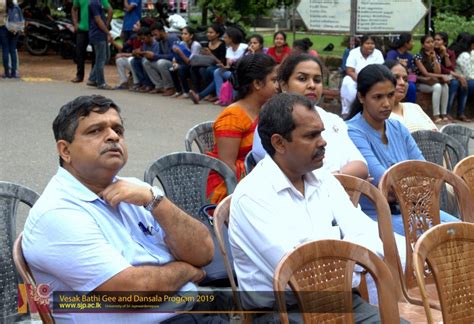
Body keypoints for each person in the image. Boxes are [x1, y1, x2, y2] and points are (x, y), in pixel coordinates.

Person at [22, 95, 230, 323]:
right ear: (65, 150)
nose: (113, 136)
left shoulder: (137, 191)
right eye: (95, 131)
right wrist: (188, 271)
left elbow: (203, 252)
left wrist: (156, 201)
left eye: (118, 130)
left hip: (189, 309)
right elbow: (132, 292)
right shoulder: (58, 214)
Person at [229, 93, 386, 322]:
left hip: (341, 301)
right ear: (279, 143)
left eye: (321, 132)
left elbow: (370, 239)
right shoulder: (252, 195)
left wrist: (341, 263)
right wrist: (352, 262)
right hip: (284, 313)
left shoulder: (323, 179)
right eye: (311, 135)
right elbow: (302, 275)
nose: (323, 142)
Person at [346, 64, 458, 235]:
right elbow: (385, 182)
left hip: (414, 211)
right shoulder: (352, 132)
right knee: (442, 237)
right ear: (361, 97)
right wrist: (405, 186)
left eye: (390, 95)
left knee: (464, 231)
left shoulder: (398, 127)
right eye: (377, 97)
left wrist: (402, 187)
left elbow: (426, 173)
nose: (386, 103)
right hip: (376, 217)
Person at [252, 54, 368, 179]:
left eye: (317, 80)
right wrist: (341, 179)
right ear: (284, 85)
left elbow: (360, 166)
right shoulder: (272, 122)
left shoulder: (333, 120)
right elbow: (288, 177)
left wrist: (332, 180)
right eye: (302, 79)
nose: (312, 85)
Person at [206, 53, 277, 204]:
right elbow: (227, 167)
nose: (278, 86)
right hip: (228, 188)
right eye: (274, 80)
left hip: (257, 178)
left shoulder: (264, 109)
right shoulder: (232, 117)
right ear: (257, 84)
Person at [385, 60, 437, 132]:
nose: (402, 83)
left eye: (405, 79)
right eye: (396, 77)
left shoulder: (414, 107)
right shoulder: (378, 116)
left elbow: (437, 136)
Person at [340, 35, 384, 116]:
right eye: (367, 43)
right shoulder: (353, 53)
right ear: (362, 44)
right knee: (347, 82)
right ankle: (347, 111)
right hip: (355, 78)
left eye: (372, 43)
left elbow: (380, 71)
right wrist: (360, 80)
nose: (370, 46)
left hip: (373, 80)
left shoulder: (378, 54)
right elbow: (349, 70)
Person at [71, 0, 111, 83]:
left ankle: (94, 77)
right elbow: (74, 9)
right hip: (82, 29)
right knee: (80, 53)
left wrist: (106, 24)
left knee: (96, 55)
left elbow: (110, 9)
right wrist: (75, 23)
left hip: (93, 30)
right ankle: (80, 75)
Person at [413, 35, 450, 124]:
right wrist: (441, 76)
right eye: (428, 42)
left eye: (432, 42)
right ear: (422, 45)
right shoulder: (418, 56)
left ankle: (444, 114)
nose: (431, 44)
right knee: (438, 86)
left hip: (432, 82)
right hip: (421, 82)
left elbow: (438, 72)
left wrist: (434, 60)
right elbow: (425, 73)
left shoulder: (436, 56)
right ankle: (436, 116)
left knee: (445, 86)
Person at [434, 32, 469, 121]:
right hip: (437, 75)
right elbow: (442, 69)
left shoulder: (450, 52)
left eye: (438, 40)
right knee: (455, 82)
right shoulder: (433, 52)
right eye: (435, 40)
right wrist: (458, 76)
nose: (435, 42)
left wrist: (445, 54)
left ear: (445, 42)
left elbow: (451, 67)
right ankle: (447, 112)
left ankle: (460, 113)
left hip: (449, 76)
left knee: (462, 83)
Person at [189, 23, 226, 104]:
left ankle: (206, 94)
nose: (208, 34)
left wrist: (210, 54)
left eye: (211, 32)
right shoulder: (207, 43)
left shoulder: (222, 45)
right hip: (208, 65)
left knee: (209, 70)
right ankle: (199, 92)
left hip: (218, 66)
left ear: (217, 34)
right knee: (197, 69)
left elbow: (222, 63)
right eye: (208, 32)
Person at [211, 27, 248, 104]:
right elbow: (228, 67)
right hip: (233, 72)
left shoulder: (244, 47)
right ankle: (221, 97)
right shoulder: (229, 49)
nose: (223, 39)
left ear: (231, 38)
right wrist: (223, 66)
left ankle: (234, 99)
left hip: (242, 73)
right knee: (217, 71)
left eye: (225, 37)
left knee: (234, 76)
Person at [142, 22, 178, 96]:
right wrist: (151, 56)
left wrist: (155, 56)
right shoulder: (161, 41)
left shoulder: (172, 38)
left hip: (175, 63)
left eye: (155, 34)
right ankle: (159, 86)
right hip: (166, 64)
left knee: (161, 62)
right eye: (153, 35)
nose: (154, 37)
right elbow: (160, 55)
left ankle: (170, 87)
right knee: (146, 62)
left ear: (161, 31)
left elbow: (175, 56)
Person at [86, 0, 114, 90]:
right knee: (101, 59)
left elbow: (110, 10)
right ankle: (101, 83)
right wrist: (107, 32)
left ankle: (92, 78)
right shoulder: (93, 3)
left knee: (105, 57)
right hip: (97, 34)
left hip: (101, 33)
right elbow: (98, 20)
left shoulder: (99, 2)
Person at [170, 26, 201, 98]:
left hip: (194, 65)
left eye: (185, 34)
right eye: (182, 34)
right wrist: (174, 62)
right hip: (184, 63)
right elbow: (175, 56)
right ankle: (178, 90)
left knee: (181, 69)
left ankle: (186, 92)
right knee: (172, 69)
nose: (183, 36)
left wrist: (180, 52)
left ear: (191, 35)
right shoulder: (182, 43)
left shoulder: (196, 45)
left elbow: (189, 62)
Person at [385, 33, 417, 103]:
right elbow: (387, 65)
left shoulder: (410, 56)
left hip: (406, 78)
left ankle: (411, 106)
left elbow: (412, 71)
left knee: (411, 87)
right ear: (406, 43)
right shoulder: (392, 53)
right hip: (392, 78)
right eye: (411, 41)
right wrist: (399, 63)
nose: (413, 44)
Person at [111, 19, 142, 89]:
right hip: (134, 58)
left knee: (131, 59)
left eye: (137, 25)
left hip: (139, 60)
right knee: (120, 60)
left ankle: (136, 82)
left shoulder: (144, 38)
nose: (133, 26)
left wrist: (122, 54)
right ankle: (123, 82)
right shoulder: (133, 37)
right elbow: (122, 47)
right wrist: (112, 41)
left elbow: (137, 53)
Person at [450, 32, 474, 121]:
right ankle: (460, 113)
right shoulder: (464, 55)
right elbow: (468, 75)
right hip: (462, 80)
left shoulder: (468, 53)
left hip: (463, 79)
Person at [129, 26, 157, 92]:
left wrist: (142, 53)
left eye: (143, 38)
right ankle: (143, 83)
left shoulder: (155, 43)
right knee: (134, 61)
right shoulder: (145, 43)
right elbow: (141, 51)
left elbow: (154, 55)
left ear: (149, 36)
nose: (142, 41)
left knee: (144, 61)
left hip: (154, 61)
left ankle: (149, 84)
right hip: (147, 60)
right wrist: (136, 53)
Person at [0, 0, 21, 78]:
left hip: (3, 28)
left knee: (5, 49)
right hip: (14, 28)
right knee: (13, 50)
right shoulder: (14, 2)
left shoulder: (1, 2)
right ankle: (14, 73)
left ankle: (6, 73)